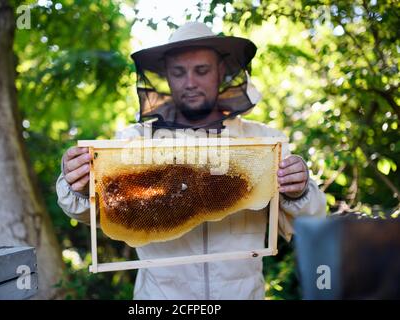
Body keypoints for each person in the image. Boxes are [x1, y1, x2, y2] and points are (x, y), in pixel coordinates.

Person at [56, 22, 326, 299]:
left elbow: (308, 222)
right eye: (178, 72)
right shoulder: (134, 141)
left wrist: (299, 190)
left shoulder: (263, 140)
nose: (190, 83)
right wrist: (77, 185)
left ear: (221, 71)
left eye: (202, 70)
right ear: (166, 77)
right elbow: (97, 212)